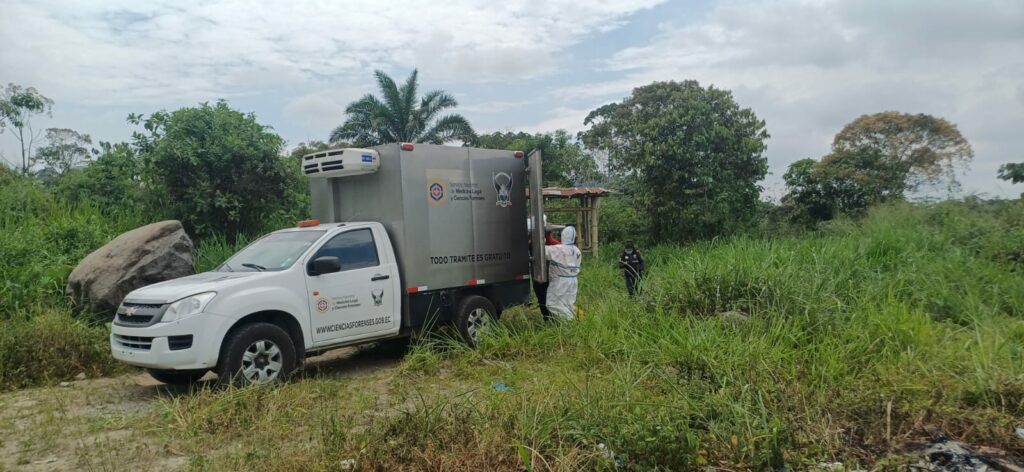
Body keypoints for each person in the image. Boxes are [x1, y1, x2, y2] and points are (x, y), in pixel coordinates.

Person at [544, 226, 582, 320]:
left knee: (552, 304)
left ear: (563, 236)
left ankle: (570, 321)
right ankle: (576, 323)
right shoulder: (577, 250)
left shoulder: (558, 249)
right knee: (567, 305)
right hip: (573, 281)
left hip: (560, 282)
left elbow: (541, 251)